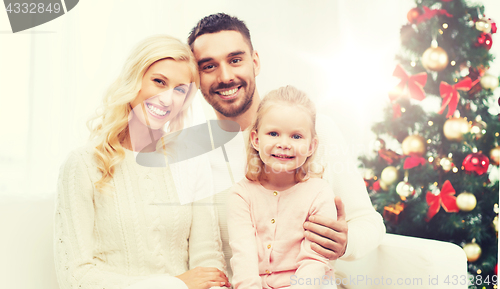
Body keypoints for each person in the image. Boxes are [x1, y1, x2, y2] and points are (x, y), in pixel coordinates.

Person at [187, 13, 385, 278]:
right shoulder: (197, 157)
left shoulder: (316, 130)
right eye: (208, 66)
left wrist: (346, 242)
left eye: (235, 60)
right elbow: (203, 255)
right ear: (196, 76)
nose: (225, 76)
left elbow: (370, 223)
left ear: (255, 62)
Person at [54, 35, 229, 289]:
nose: (167, 99)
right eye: (159, 82)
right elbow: (75, 277)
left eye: (179, 90)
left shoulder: (192, 164)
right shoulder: (83, 165)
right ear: (134, 80)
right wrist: (174, 285)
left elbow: (208, 264)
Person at [227, 86, 337, 288]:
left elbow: (314, 261)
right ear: (256, 139)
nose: (284, 143)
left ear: (311, 146)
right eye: (273, 133)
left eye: (296, 136)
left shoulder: (320, 193)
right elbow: (243, 259)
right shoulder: (241, 194)